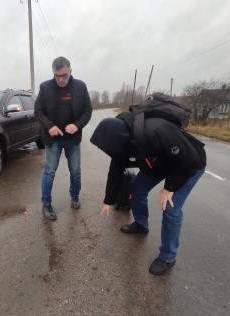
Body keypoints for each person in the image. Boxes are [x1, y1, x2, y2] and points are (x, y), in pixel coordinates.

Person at [90, 111, 206, 275]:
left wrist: (169, 188)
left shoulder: (156, 130)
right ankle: (141, 224)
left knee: (170, 209)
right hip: (159, 164)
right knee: (137, 189)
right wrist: (108, 200)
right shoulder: (121, 141)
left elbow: (189, 161)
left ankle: (168, 257)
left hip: (188, 165)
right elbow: (115, 170)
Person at [35, 56, 92, 220]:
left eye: (64, 75)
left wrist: (77, 125)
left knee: (75, 171)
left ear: (70, 71)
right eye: (57, 76)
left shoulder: (80, 87)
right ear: (53, 73)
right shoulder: (45, 87)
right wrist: (49, 126)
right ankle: (46, 204)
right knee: (49, 171)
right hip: (53, 139)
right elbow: (38, 111)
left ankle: (74, 196)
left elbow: (87, 111)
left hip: (72, 139)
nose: (60, 80)